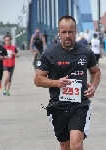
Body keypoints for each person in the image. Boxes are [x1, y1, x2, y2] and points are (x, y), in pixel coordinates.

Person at [34, 15, 100, 150]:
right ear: (59, 33)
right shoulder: (49, 54)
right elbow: (37, 79)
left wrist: (93, 86)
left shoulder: (86, 53)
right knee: (65, 146)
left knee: (76, 144)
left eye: (70, 31)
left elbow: (96, 72)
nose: (67, 35)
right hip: (58, 106)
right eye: (64, 32)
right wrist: (56, 83)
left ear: (76, 32)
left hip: (80, 105)